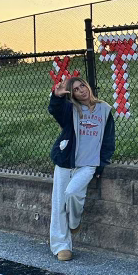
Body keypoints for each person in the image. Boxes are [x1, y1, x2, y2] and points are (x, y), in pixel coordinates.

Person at [48, 75, 115, 261]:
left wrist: (101, 165)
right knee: (59, 204)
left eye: (82, 86)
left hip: (88, 164)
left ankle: (75, 221)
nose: (81, 91)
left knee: (72, 193)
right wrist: (57, 96)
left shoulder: (104, 110)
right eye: (76, 89)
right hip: (66, 161)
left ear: (88, 86)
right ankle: (61, 246)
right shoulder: (71, 110)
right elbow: (55, 110)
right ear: (73, 95)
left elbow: (109, 141)